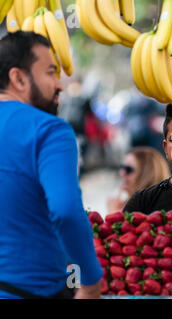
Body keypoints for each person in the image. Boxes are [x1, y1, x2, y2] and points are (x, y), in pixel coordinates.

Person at [0, 32, 103, 299]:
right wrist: (90, 280)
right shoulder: (49, 129)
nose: (59, 85)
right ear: (18, 78)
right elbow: (66, 210)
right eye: (50, 73)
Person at [107, 146, 171, 214]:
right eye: (122, 167)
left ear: (147, 175)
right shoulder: (125, 204)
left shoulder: (156, 210)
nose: (121, 173)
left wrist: (114, 214)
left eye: (128, 169)